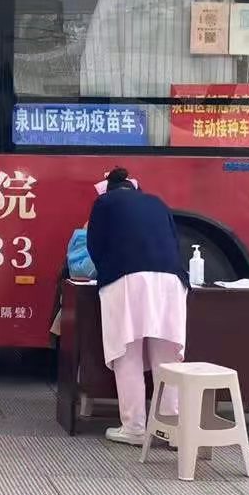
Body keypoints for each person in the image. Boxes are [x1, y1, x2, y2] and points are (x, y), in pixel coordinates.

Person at [85, 166, 187, 445]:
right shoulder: (157, 202)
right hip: (171, 281)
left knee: (127, 351)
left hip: (126, 280)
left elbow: (95, 246)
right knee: (166, 355)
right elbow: (174, 242)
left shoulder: (104, 203)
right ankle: (171, 428)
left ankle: (134, 428)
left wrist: (105, 271)